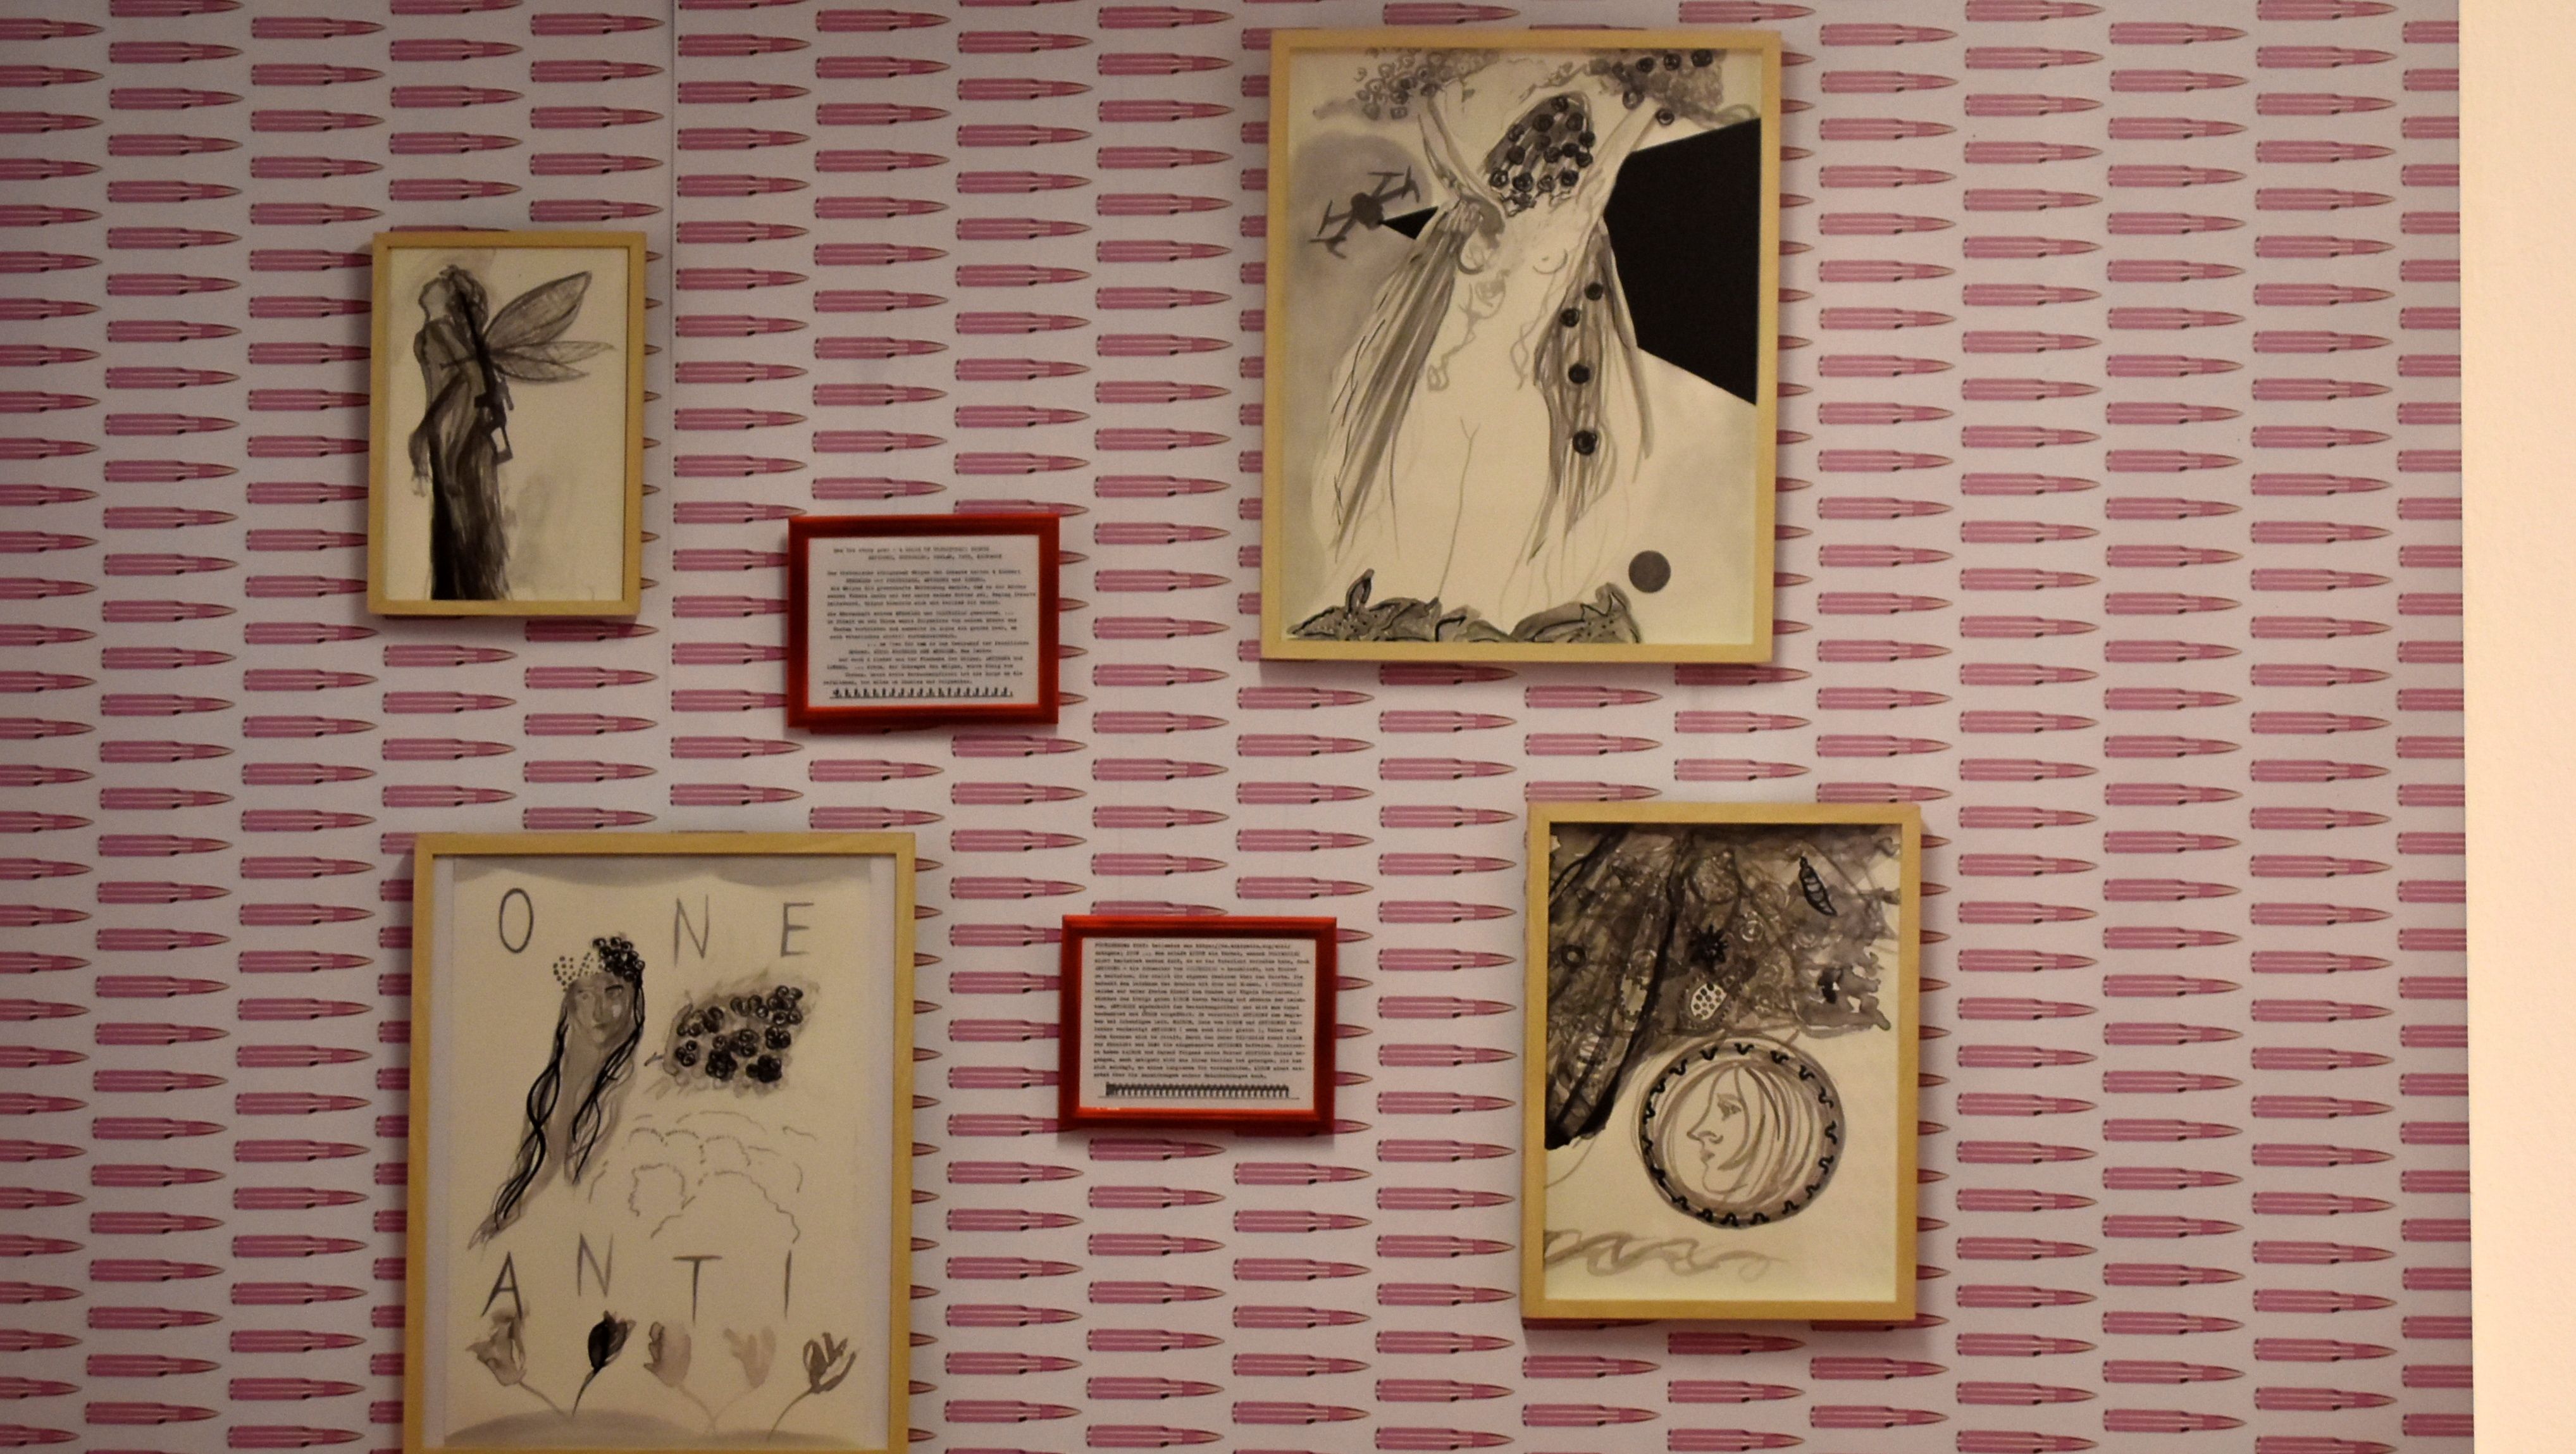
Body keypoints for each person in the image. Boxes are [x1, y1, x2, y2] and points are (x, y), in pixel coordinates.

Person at [1291, 47, 1761, 644]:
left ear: (1513, 147)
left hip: (1450, 394)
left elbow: (1445, 153)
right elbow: (1608, 162)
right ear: (1575, 160)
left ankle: (1425, 633)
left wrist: (1427, 94)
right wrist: (1650, 107)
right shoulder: (1559, 229)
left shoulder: (1479, 216)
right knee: (1473, 554)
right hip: (1506, 403)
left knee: (1426, 539)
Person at [473, 934, 646, 1245]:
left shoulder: (633, 1088)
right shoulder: (550, 1085)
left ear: (634, 995)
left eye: (614, 993)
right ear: (569, 1001)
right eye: (586, 996)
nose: (600, 1011)